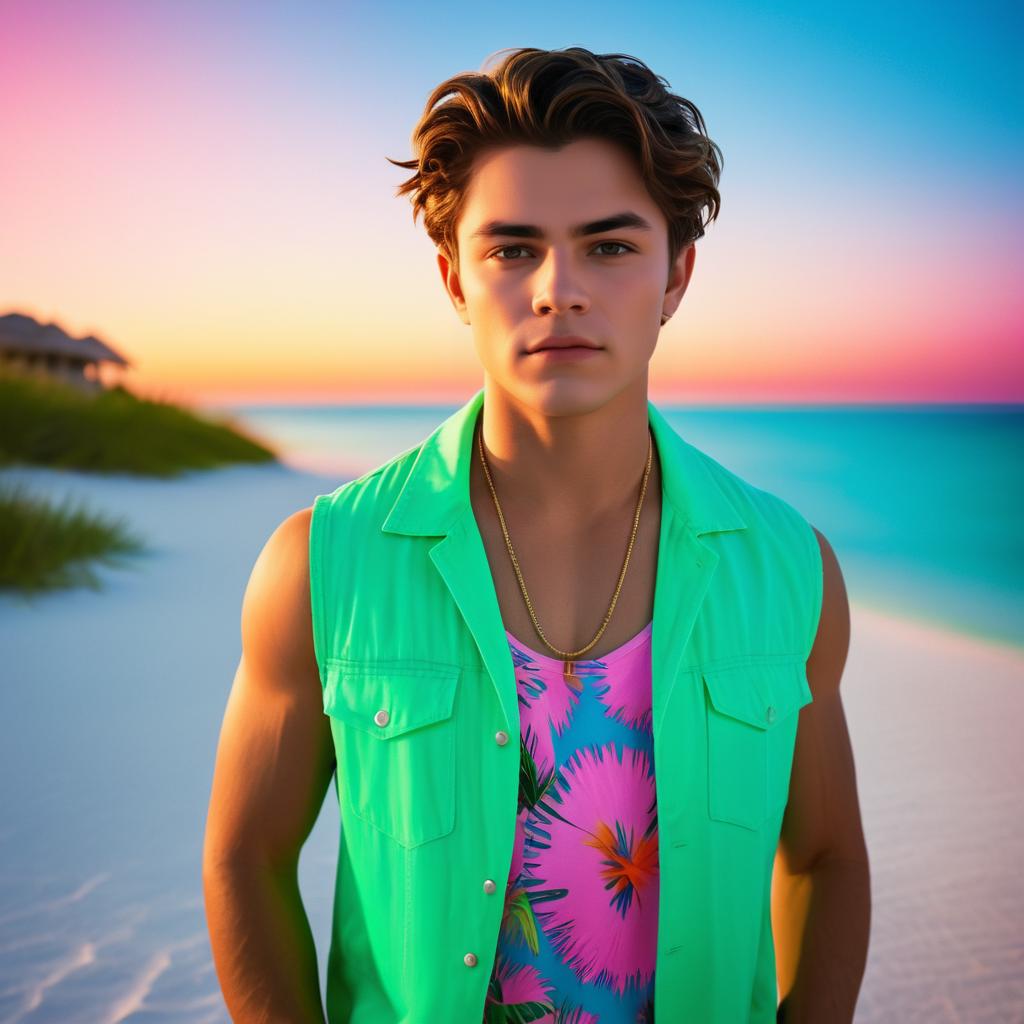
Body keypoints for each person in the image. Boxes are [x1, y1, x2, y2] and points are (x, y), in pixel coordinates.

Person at [203, 45, 871, 1023]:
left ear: (677, 273)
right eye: (512, 249)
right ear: (452, 279)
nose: (559, 287)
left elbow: (824, 855)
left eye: (609, 245)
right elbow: (245, 857)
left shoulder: (787, 569)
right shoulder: (322, 562)